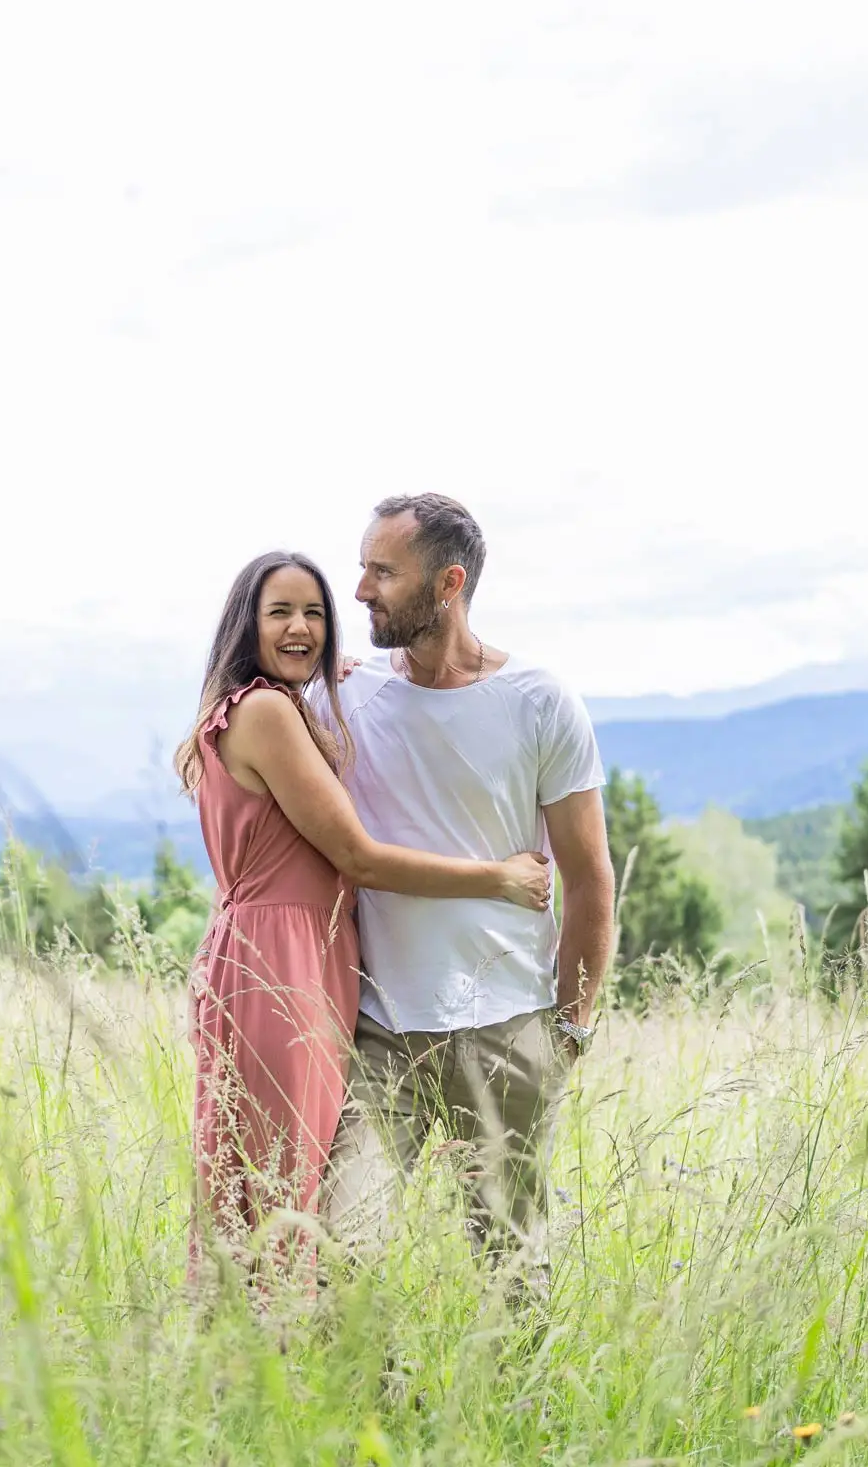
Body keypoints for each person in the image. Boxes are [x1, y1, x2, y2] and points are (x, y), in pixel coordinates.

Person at [173, 550, 550, 1281]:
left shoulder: (264, 707)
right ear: (245, 624)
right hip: (281, 961)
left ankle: (252, 1335)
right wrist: (498, 879)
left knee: (268, 1171)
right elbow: (359, 857)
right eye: (280, 612)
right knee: (283, 1176)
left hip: (277, 950)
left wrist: (329, 680)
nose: (300, 627)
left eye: (314, 614)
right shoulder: (267, 713)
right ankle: (271, 1333)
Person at [318, 494, 616, 1275]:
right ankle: (373, 1369)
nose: (361, 591)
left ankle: (510, 1370)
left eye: (384, 572)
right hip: (379, 1031)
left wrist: (571, 1029)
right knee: (343, 1250)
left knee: (512, 1272)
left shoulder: (540, 700)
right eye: (362, 569)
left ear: (448, 584)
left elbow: (589, 879)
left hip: (508, 1030)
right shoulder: (343, 694)